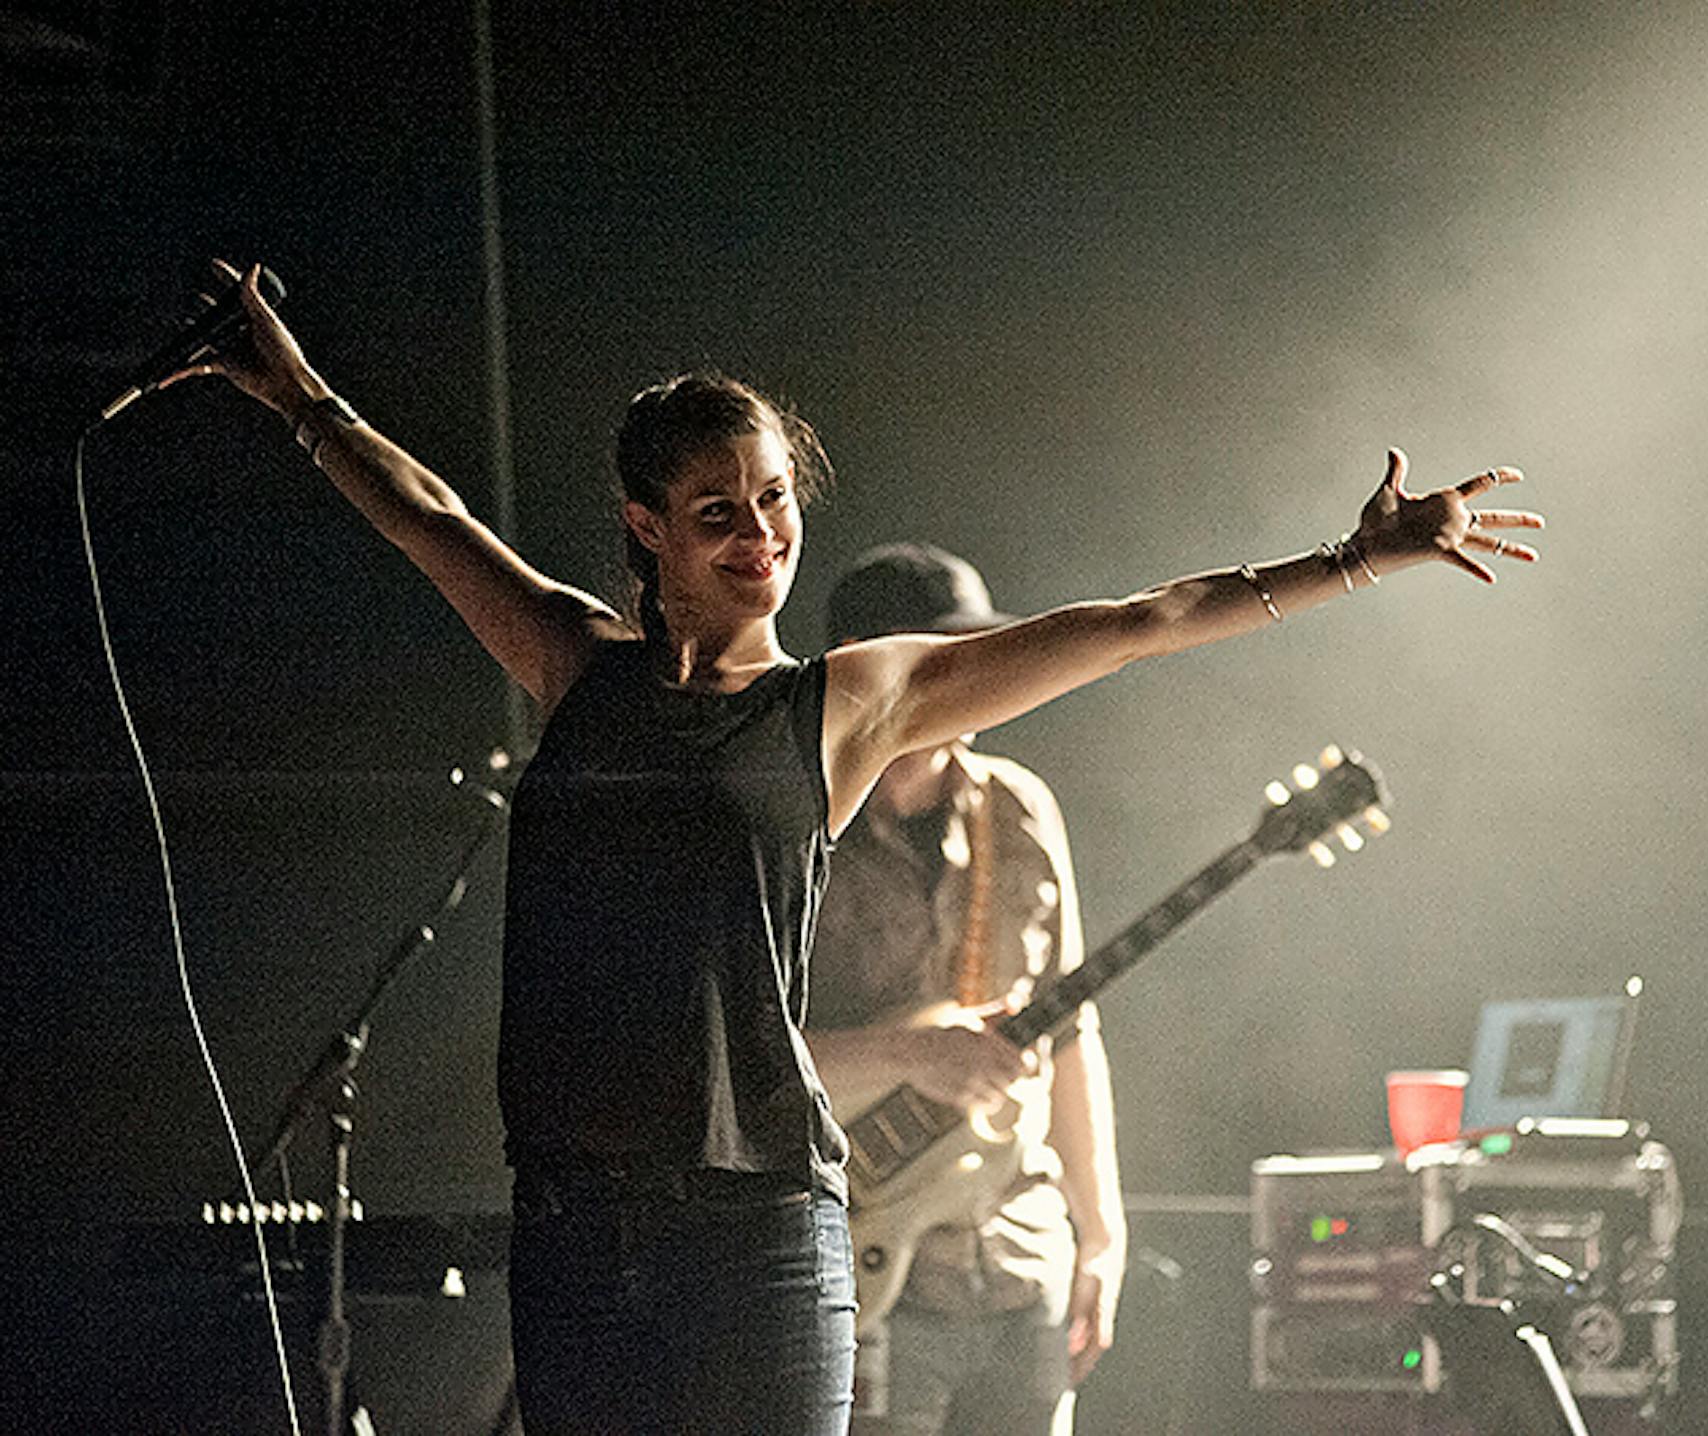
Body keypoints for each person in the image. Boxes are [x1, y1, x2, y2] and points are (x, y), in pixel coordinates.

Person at [178, 260, 1544, 1435]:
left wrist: (1350, 562)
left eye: (774, 498)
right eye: (717, 508)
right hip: (575, 1227)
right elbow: (428, 513)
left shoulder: (849, 704)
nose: (760, 534)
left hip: (755, 1228)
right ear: (643, 528)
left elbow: (1138, 619)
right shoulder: (574, 665)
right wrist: (294, 391)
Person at [805, 543, 1122, 1436]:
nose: (983, 678)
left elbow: (1070, 1033)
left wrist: (1100, 1236)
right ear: (874, 668)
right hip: (866, 1271)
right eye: (951, 656)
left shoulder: (1020, 808)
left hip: (1024, 1263)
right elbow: (729, 1058)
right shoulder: (794, 826)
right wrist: (908, 1050)